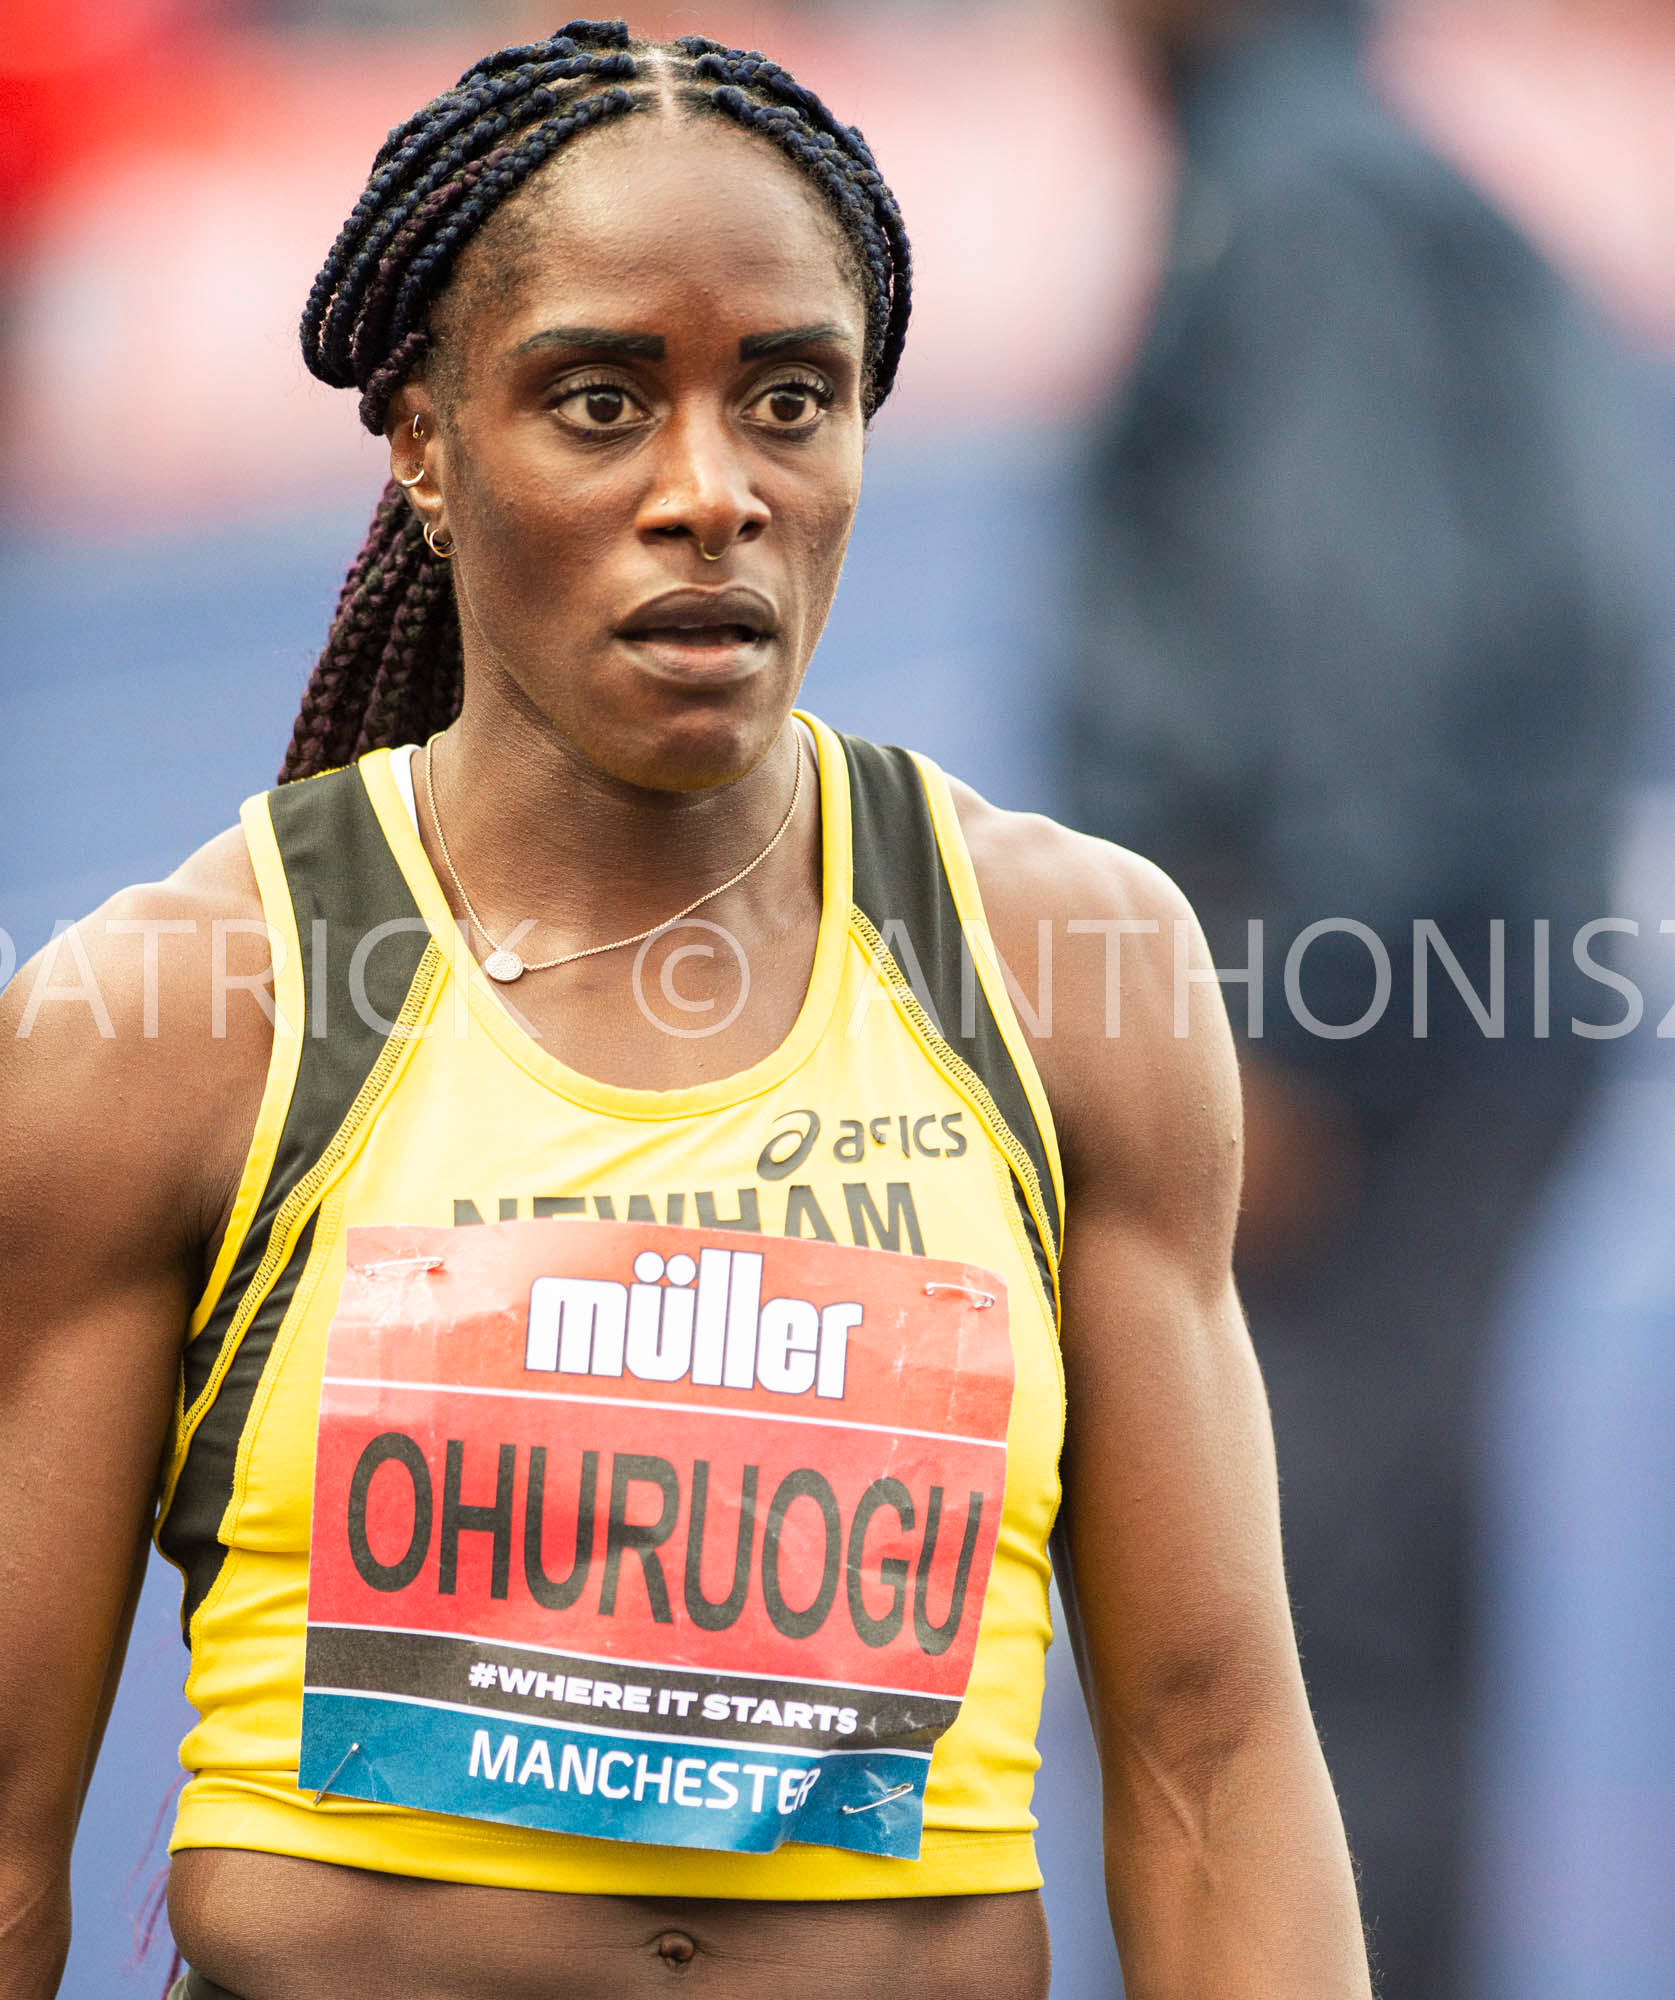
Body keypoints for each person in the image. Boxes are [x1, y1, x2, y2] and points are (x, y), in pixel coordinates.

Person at [0, 23, 1370, 1999]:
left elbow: (1212, 1748)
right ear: (423, 441)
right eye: (599, 401)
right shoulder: (173, 1018)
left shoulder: (1067, 975)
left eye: (789, 399)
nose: (709, 492)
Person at [1071, 1, 1651, 1991]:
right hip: (1469, 998)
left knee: (1297, 1624)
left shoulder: (1300, 194)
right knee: (1383, 1596)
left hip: (1360, 1029)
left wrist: (1293, 1028)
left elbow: (1368, 635)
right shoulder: (1382, 170)